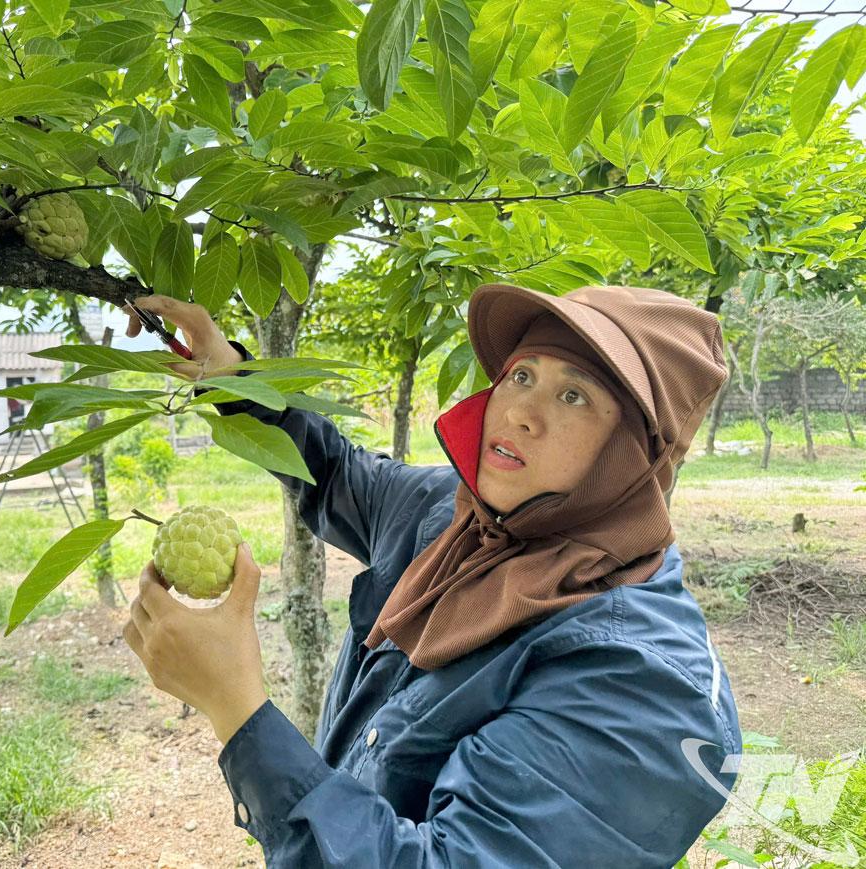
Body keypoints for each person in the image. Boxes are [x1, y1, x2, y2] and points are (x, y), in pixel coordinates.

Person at [121, 283, 741, 867]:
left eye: (573, 395)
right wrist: (233, 377)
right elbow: (335, 473)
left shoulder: (648, 692)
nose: (519, 412)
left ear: (634, 452)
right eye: (522, 375)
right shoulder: (456, 517)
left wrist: (235, 706)